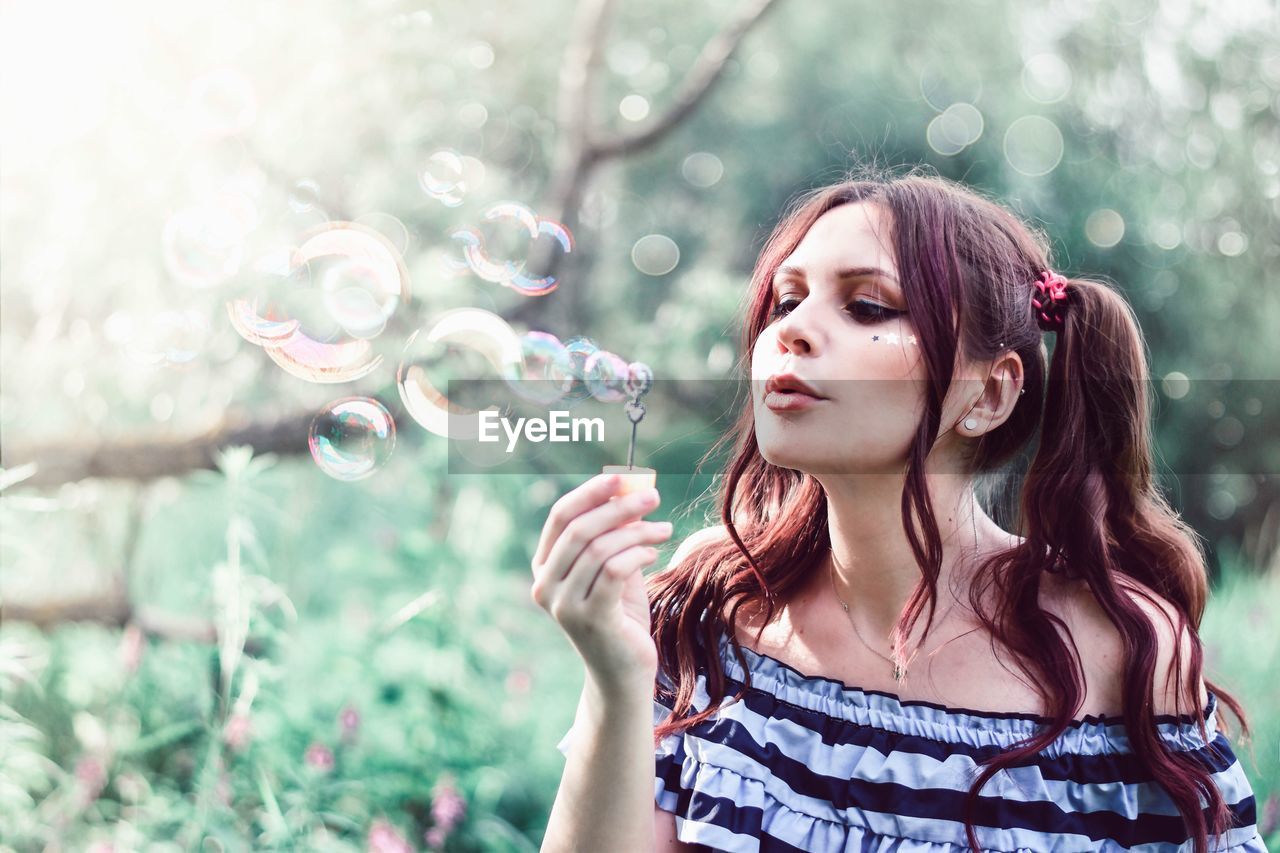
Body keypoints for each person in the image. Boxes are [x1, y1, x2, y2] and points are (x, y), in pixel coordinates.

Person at [531, 167, 1266, 852]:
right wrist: (618, 679)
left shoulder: (1119, 651)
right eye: (786, 299)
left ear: (988, 394)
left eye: (867, 305)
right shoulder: (710, 608)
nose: (790, 329)